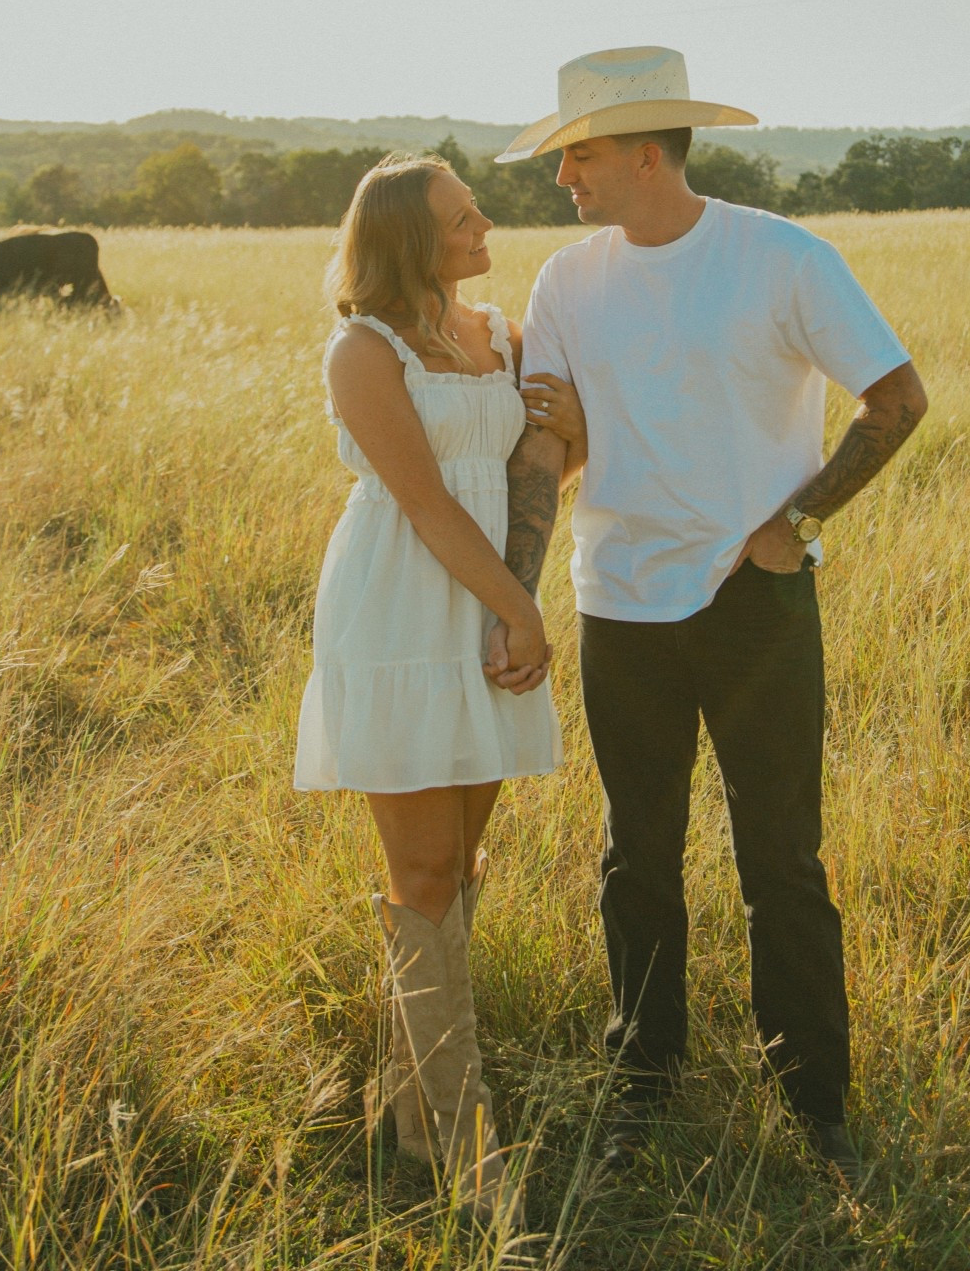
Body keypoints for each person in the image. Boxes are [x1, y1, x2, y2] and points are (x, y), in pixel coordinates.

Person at [486, 46, 928, 1187]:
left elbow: (897, 397)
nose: (563, 176)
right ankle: (642, 1089)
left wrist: (795, 523)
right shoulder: (566, 281)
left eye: (579, 154)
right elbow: (546, 448)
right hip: (619, 600)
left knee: (782, 856)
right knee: (636, 857)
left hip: (753, 599)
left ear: (648, 153)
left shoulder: (781, 257)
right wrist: (516, 592)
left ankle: (818, 1107)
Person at [294, 153, 571, 1227]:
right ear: (412, 237)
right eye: (463, 217)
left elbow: (521, 468)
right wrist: (522, 610)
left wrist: (568, 428)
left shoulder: (500, 333)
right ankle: (467, 1144)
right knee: (419, 869)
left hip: (487, 598)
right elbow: (424, 502)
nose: (484, 224)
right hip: (403, 609)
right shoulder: (363, 350)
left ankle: (408, 1110)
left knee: (458, 866)